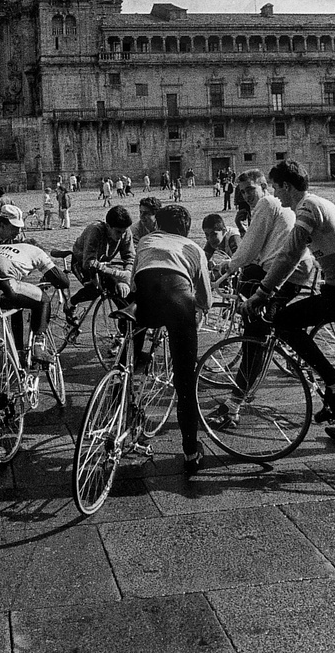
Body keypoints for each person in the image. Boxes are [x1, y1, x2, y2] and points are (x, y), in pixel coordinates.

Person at [243, 160, 335, 450]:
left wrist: (262, 293)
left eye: (276, 188)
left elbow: (289, 254)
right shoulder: (320, 202)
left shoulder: (307, 209)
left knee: (285, 322)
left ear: (287, 186)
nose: (276, 195)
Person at [209, 169, 314, 429]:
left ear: (264, 187)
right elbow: (258, 244)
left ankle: (234, 404)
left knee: (255, 335)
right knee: (258, 332)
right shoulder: (269, 205)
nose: (246, 195)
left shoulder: (267, 203)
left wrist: (228, 266)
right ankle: (247, 386)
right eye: (242, 191)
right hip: (283, 270)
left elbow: (250, 247)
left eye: (250, 190)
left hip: (285, 273)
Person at [130, 204, 212, 476]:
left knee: (134, 332)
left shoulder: (146, 240)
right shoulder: (193, 248)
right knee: (185, 381)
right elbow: (205, 300)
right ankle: (190, 450)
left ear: (157, 226)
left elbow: (134, 280)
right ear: (186, 229)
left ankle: (125, 380)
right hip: (178, 300)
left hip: (145, 300)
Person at [0, 206, 69, 366]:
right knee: (42, 299)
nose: (17, 232)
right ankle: (38, 346)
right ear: (2, 224)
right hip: (0, 281)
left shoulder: (4, 245)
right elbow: (63, 281)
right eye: (14, 228)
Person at [69, 205, 135, 321]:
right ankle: (70, 303)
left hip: (102, 262)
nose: (121, 236)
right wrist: (117, 274)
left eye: (123, 232)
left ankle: (124, 328)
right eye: (118, 232)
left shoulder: (125, 231)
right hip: (81, 262)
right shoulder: (95, 230)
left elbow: (130, 257)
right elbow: (88, 262)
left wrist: (126, 277)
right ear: (108, 226)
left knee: (121, 291)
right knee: (95, 290)